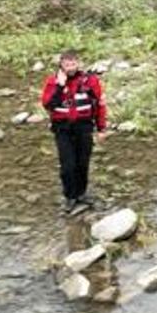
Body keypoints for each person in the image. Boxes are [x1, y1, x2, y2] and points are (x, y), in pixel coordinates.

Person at [40, 51, 109, 215]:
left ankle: (81, 193)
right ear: (61, 65)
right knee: (67, 165)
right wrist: (60, 86)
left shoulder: (90, 81)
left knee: (83, 162)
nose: (70, 67)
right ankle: (70, 196)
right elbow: (48, 104)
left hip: (84, 127)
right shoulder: (52, 81)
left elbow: (99, 105)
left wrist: (101, 128)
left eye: (73, 63)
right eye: (67, 64)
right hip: (62, 129)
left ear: (78, 63)